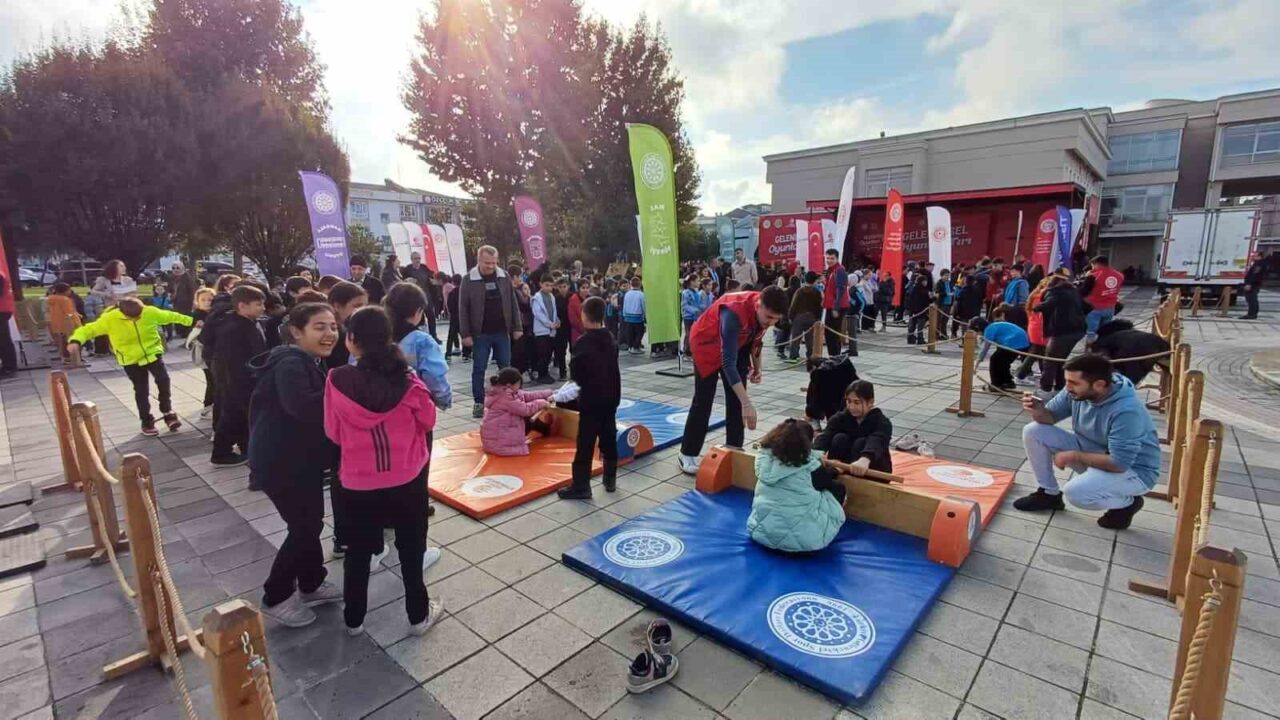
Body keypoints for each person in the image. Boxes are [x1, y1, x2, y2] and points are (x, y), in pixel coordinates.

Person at [324, 306, 443, 636]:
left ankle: (354, 620)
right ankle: (418, 617)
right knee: (411, 547)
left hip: (357, 480)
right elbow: (428, 421)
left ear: (351, 340)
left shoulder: (337, 380)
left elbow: (332, 432)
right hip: (407, 477)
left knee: (359, 551)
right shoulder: (409, 381)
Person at [249, 302, 343, 628]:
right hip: (281, 462)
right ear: (296, 331)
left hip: (299, 458)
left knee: (309, 522)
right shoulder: (290, 364)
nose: (330, 333)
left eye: (333, 326)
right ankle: (275, 596)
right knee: (304, 526)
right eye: (320, 327)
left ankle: (311, 582)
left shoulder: (305, 360)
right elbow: (304, 407)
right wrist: (345, 393)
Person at [1014, 353, 1160, 529]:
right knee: (1033, 431)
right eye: (1067, 381)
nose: (1067, 387)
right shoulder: (1077, 390)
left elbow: (1119, 463)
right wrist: (1037, 410)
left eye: (1074, 383)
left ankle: (1127, 503)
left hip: (1134, 471)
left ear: (1099, 385)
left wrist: (1073, 456)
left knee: (1076, 493)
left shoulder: (1127, 411)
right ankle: (1048, 494)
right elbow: (1049, 418)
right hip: (1096, 453)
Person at [678, 286, 789, 474]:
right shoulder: (733, 311)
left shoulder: (764, 311)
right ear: (758, 305)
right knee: (703, 400)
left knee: (737, 399)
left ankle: (734, 449)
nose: (771, 323)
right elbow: (728, 363)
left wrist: (758, 368)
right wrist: (748, 404)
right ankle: (687, 453)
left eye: (775, 319)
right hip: (707, 344)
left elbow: (757, 340)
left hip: (738, 344)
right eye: (769, 317)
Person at [67, 296, 192, 435]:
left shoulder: (150, 312)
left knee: (163, 380)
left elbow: (173, 316)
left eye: (139, 316)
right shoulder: (110, 318)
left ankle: (167, 412)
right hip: (130, 359)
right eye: (132, 318)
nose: (136, 319)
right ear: (122, 313)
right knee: (141, 389)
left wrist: (194, 322)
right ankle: (146, 420)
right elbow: (89, 329)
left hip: (152, 353)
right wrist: (75, 340)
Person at [747, 419, 846, 553]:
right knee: (837, 488)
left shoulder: (765, 458)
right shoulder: (810, 467)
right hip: (804, 545)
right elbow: (825, 480)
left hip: (760, 533)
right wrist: (835, 469)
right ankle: (825, 527)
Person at [558, 296, 622, 499]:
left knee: (585, 443)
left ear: (584, 316)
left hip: (591, 400)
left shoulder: (583, 343)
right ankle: (610, 478)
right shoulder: (610, 338)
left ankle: (581, 485)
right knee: (609, 437)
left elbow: (577, 374)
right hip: (611, 397)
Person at [457, 246, 523, 418]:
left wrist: (517, 327)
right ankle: (479, 402)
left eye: (494, 263)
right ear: (479, 260)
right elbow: (462, 308)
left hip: (502, 332)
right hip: (481, 334)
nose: (491, 266)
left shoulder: (504, 276)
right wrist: (465, 334)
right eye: (487, 263)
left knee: (506, 367)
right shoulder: (468, 280)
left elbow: (513, 303)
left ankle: (508, 400)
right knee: (479, 368)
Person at [210, 285, 268, 465]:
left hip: (245, 379)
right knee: (235, 417)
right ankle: (221, 454)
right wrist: (244, 381)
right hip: (238, 381)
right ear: (242, 306)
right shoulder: (233, 328)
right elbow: (233, 361)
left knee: (238, 417)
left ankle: (244, 449)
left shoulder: (249, 322)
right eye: (258, 304)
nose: (263, 308)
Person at [385, 282, 453, 411]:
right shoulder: (422, 341)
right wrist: (444, 399)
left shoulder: (377, 335)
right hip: (413, 406)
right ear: (418, 312)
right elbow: (434, 375)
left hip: (379, 407)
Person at [813, 380, 893, 474]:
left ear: (870, 402)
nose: (851, 407)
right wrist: (817, 452)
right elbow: (826, 434)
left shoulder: (882, 422)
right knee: (840, 438)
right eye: (849, 401)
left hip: (870, 468)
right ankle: (835, 471)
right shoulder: (840, 418)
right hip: (842, 466)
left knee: (860, 442)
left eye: (857, 402)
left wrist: (865, 458)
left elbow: (878, 439)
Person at [480, 367, 554, 456]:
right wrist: (541, 403)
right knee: (528, 418)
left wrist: (549, 393)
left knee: (529, 420)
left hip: (496, 438)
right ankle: (548, 429)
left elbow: (528, 395)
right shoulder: (505, 397)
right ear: (509, 385)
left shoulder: (505, 391)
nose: (519, 387)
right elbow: (525, 409)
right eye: (518, 384)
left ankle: (546, 429)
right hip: (500, 443)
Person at [1035, 276, 1090, 393]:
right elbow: (1088, 307)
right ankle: (1060, 385)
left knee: (1050, 359)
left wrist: (1036, 308)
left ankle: (1045, 388)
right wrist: (1076, 315)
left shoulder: (1054, 292)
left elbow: (1049, 303)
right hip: (1078, 330)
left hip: (1062, 331)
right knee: (1061, 358)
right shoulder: (1074, 292)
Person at [1092, 319, 1170, 385]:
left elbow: (1104, 360)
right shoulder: (1123, 333)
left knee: (1129, 381)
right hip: (1159, 344)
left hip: (1133, 350)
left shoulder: (1102, 342)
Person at [972, 313, 1031, 391]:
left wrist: (976, 365)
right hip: (1021, 340)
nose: (976, 334)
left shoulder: (988, 330)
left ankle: (995, 384)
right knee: (1003, 362)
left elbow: (984, 349)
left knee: (994, 359)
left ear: (978, 328)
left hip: (1014, 342)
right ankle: (1007, 382)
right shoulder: (992, 326)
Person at [1079, 255, 1124, 345]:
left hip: (1094, 308)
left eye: (1092, 265)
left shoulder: (1093, 276)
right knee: (1105, 331)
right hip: (1110, 307)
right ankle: (1103, 347)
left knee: (1091, 332)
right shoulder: (1119, 275)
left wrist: (1085, 278)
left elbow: (1083, 292)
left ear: (1096, 264)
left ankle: (1090, 349)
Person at [325, 281, 368, 371]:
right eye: (357, 306)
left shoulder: (357, 331)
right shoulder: (329, 336)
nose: (363, 310)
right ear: (337, 306)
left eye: (365, 306)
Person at [531, 275, 559, 385]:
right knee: (542, 353)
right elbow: (538, 314)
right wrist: (549, 324)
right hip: (541, 330)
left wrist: (556, 321)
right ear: (541, 284)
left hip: (551, 329)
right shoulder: (537, 297)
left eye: (551, 286)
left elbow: (554, 310)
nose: (549, 288)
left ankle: (546, 373)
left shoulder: (551, 296)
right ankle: (541, 374)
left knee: (548, 353)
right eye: (546, 285)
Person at [821, 249, 849, 356]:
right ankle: (835, 357)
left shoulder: (839, 270)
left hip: (837, 306)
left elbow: (841, 289)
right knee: (832, 333)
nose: (829, 260)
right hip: (832, 306)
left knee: (831, 333)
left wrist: (836, 307)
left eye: (832, 258)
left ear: (837, 258)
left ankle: (834, 357)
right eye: (827, 258)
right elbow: (831, 288)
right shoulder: (831, 270)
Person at [789, 271, 822, 361]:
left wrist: (790, 316)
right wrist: (818, 318)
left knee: (796, 338)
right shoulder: (817, 292)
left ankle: (793, 356)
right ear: (814, 280)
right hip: (812, 317)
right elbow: (819, 307)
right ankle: (810, 356)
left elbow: (793, 305)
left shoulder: (799, 291)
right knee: (810, 339)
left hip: (799, 317)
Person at [46, 283, 82, 364]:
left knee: (62, 342)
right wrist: (77, 322)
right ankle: (74, 359)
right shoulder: (65, 300)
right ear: (64, 291)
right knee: (73, 340)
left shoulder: (50, 299)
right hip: (69, 323)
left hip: (57, 323)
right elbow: (70, 313)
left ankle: (65, 357)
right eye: (69, 290)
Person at [905, 268, 933, 345]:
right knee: (919, 326)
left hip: (915, 310)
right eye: (925, 281)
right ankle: (919, 339)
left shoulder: (916, 289)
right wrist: (932, 298)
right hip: (920, 310)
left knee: (912, 325)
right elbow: (927, 299)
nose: (926, 282)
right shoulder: (922, 290)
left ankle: (910, 338)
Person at [169, 262, 196, 337]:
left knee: (185, 317)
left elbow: (192, 290)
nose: (175, 270)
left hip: (186, 303)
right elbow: (169, 289)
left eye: (178, 268)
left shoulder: (187, 277)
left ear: (182, 268)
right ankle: (179, 332)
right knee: (177, 316)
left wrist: (193, 301)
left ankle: (186, 333)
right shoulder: (172, 278)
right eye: (173, 268)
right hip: (176, 302)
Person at [621, 277, 646, 354]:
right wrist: (645, 315)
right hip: (638, 317)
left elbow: (624, 305)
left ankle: (631, 347)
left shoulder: (627, 294)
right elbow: (644, 306)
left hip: (628, 317)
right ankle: (636, 347)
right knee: (639, 332)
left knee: (630, 333)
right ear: (640, 284)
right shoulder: (641, 295)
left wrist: (624, 314)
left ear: (631, 284)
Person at [680, 275, 703, 356]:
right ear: (692, 282)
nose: (699, 283)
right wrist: (695, 310)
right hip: (688, 317)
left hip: (696, 317)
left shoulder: (697, 292)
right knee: (688, 334)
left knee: (694, 333)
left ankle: (692, 349)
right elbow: (685, 305)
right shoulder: (686, 293)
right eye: (697, 281)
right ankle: (686, 350)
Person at [553, 278, 572, 374]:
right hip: (561, 327)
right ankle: (562, 371)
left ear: (568, 286)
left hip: (571, 326)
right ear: (557, 288)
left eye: (564, 286)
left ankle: (574, 368)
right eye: (560, 287)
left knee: (573, 348)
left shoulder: (572, 297)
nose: (562, 289)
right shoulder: (555, 298)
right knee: (561, 349)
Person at [1241, 250, 1265, 320]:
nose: (1253, 257)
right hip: (1254, 284)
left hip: (1253, 285)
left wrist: (1249, 284)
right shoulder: (1258, 264)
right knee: (1253, 299)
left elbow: (1254, 275)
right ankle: (1253, 314)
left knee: (1252, 300)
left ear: (1260, 256)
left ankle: (1251, 314)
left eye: (1255, 256)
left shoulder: (1259, 265)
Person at [934, 269, 954, 339]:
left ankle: (943, 334)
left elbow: (952, 291)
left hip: (949, 303)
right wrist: (947, 294)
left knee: (945, 320)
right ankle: (936, 335)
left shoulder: (950, 283)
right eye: (946, 275)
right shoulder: (939, 283)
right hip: (941, 303)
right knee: (939, 320)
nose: (947, 277)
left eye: (948, 275)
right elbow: (937, 293)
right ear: (941, 275)